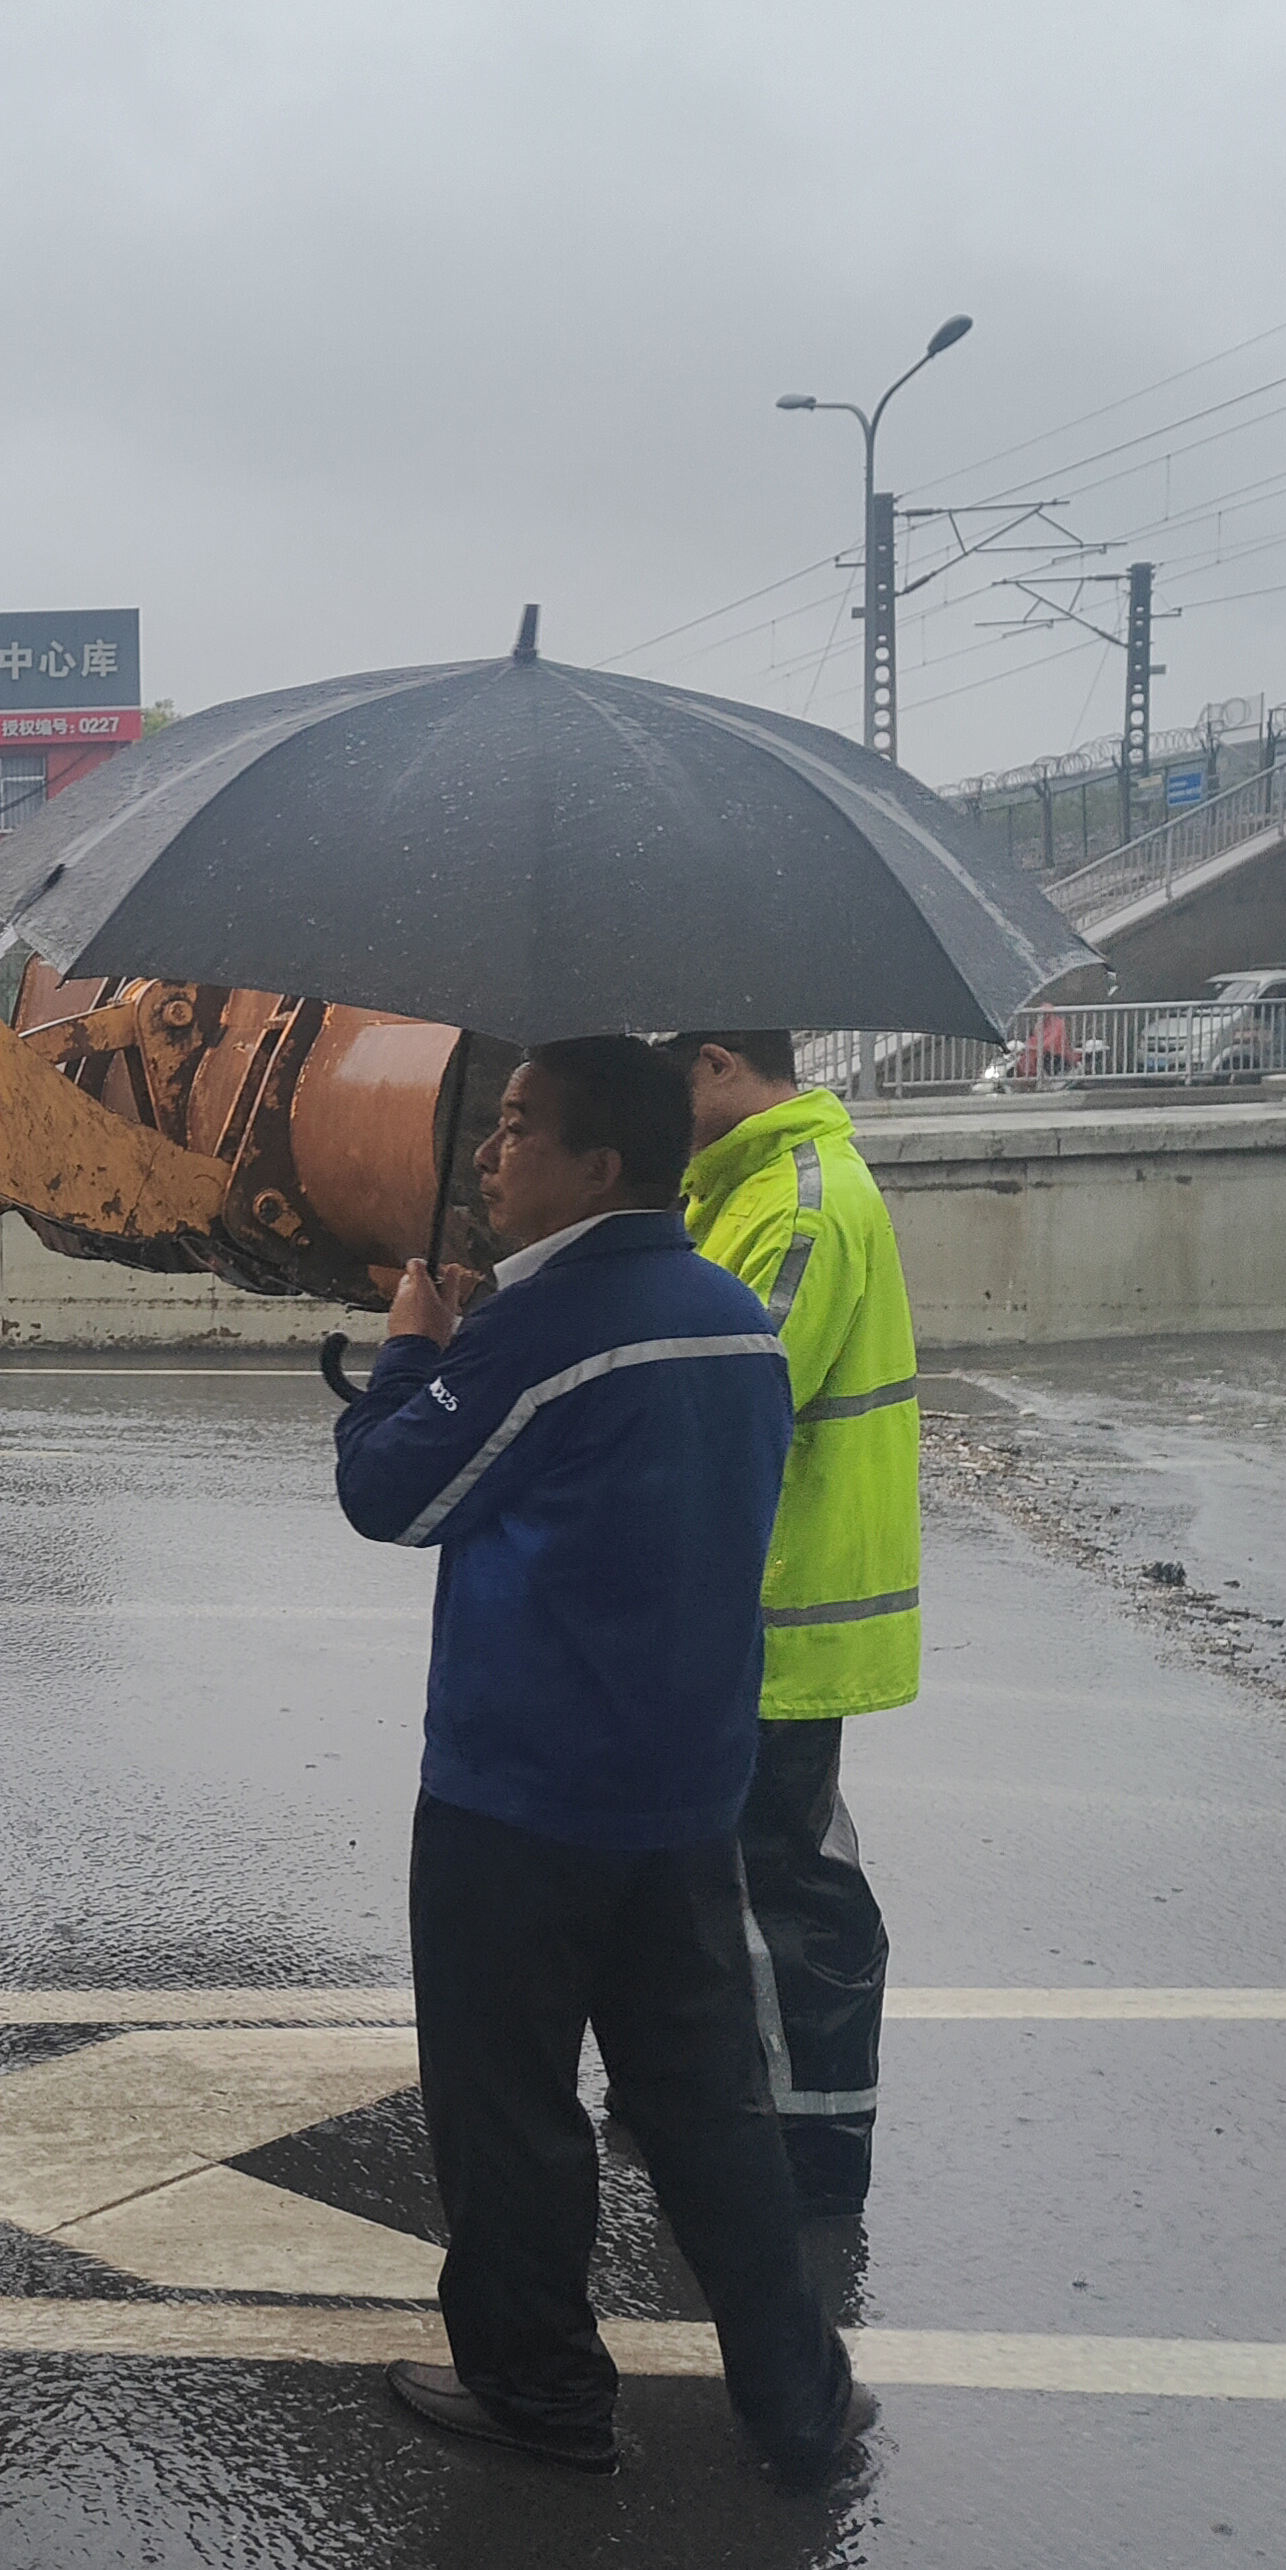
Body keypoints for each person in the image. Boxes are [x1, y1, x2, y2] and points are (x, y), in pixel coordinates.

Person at [332, 1036, 871, 2484]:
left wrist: (412, 1350)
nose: (490, 1152)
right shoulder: (728, 1316)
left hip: (522, 1792)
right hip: (683, 1786)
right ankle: (800, 2402)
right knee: (706, 2107)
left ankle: (539, 2392)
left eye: (520, 1128)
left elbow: (388, 1493)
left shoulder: (545, 1327)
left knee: (508, 2103)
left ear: (600, 1166)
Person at [663, 1030, 922, 2215]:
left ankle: (807, 2154)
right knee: (744, 1878)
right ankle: (738, 2112)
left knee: (782, 1888)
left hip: (780, 1610)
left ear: (718, 1064)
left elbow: (729, 1396)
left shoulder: (799, 1202)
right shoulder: (735, 1187)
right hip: (751, 1602)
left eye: (664, 1080)